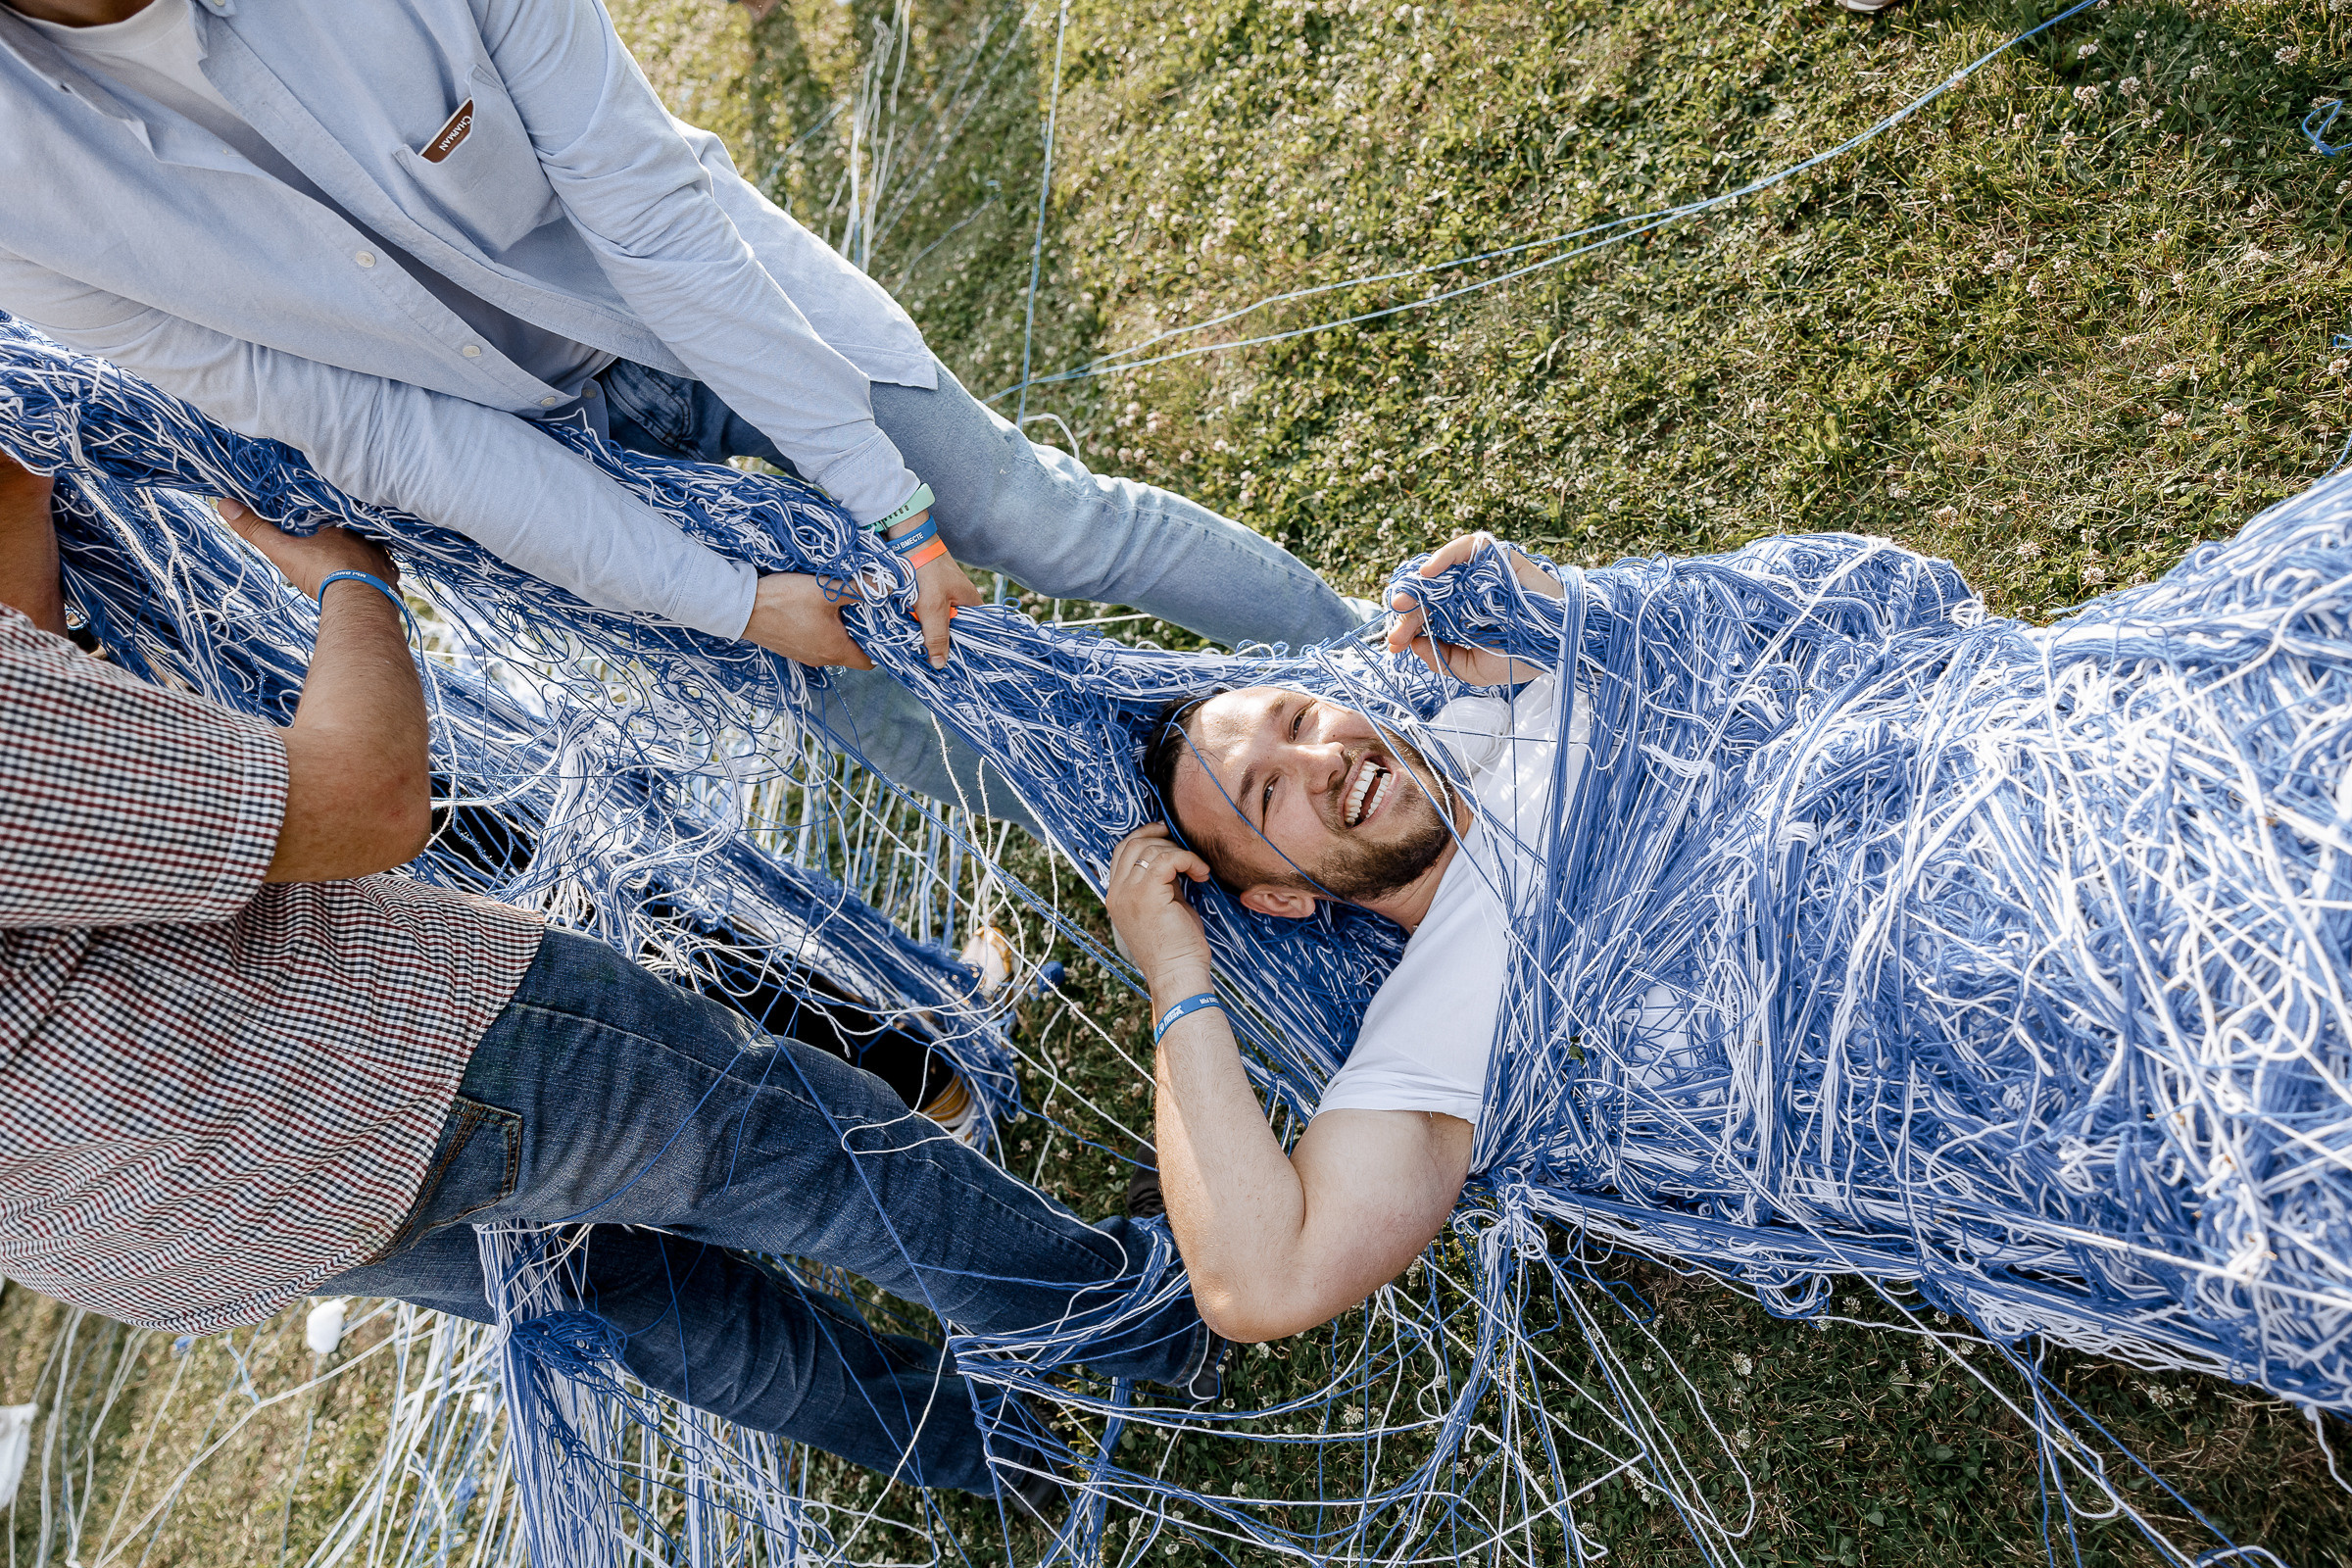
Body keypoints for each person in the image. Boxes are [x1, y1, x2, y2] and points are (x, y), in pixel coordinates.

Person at [0, 451, 1218, 1510]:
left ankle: (978, 1451)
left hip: (146, 1222)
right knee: (802, 1154)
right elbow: (363, 801)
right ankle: (1152, 1316)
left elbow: (39, 690)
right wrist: (351, 582)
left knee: (642, 1301)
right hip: (355, 1053)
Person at [0, 0, 1360, 821]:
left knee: (1018, 510)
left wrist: (889, 505)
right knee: (886, 712)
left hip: (705, 303)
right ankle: (1237, 848)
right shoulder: (20, 200)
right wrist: (728, 600)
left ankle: (1387, 668)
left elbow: (652, 220)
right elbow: (375, 431)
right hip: (543, 454)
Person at [1099, 532, 1564, 1343]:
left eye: (1302, 718)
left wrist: (1564, 618)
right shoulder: (1429, 1033)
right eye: (1267, 793)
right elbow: (1261, 1285)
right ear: (1278, 898)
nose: (1324, 761)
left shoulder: (1506, 681)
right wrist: (1174, 973)